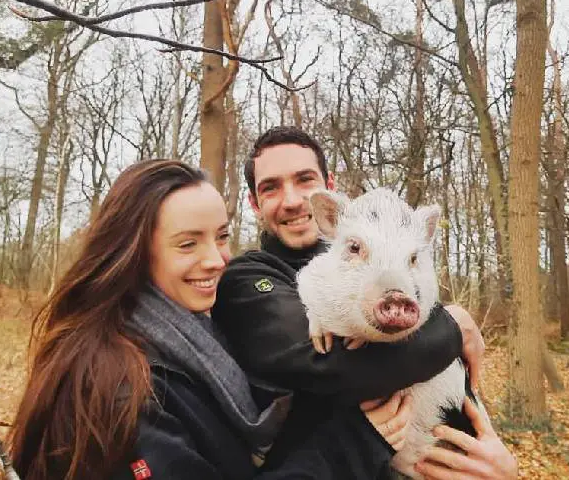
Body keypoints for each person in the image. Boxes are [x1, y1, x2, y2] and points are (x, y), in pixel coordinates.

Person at [5, 159, 417, 480]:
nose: (216, 260)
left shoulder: (202, 336)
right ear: (131, 253)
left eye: (221, 237)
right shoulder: (115, 388)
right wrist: (353, 444)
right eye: (188, 244)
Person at [211, 126, 517, 479]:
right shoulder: (248, 277)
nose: (292, 200)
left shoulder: (391, 259)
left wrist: (503, 466)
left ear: (328, 187)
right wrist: (451, 325)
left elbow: (454, 382)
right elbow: (331, 367)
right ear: (254, 202)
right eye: (271, 187)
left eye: (305, 179)